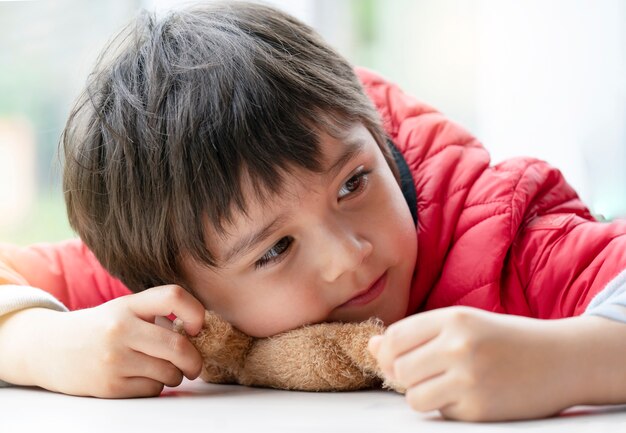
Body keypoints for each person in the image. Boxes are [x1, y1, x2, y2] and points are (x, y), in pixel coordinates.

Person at [1, 1, 626, 422]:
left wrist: (567, 360)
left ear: (376, 139)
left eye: (353, 185)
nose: (347, 256)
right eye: (276, 249)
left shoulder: (508, 241)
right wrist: (41, 344)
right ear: (185, 291)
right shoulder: (174, 263)